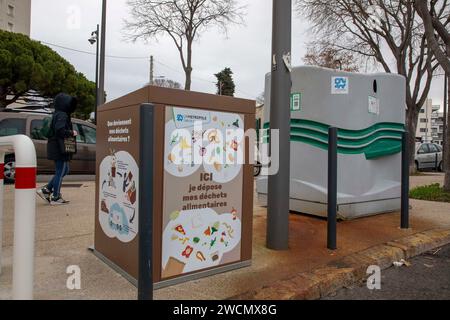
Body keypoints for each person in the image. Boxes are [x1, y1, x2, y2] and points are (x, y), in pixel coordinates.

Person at [37, 93, 78, 205]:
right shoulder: (62, 115)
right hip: (59, 147)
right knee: (60, 171)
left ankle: (46, 190)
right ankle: (56, 197)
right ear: (64, 103)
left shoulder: (58, 114)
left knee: (65, 170)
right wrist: (72, 132)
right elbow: (59, 130)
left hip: (56, 146)